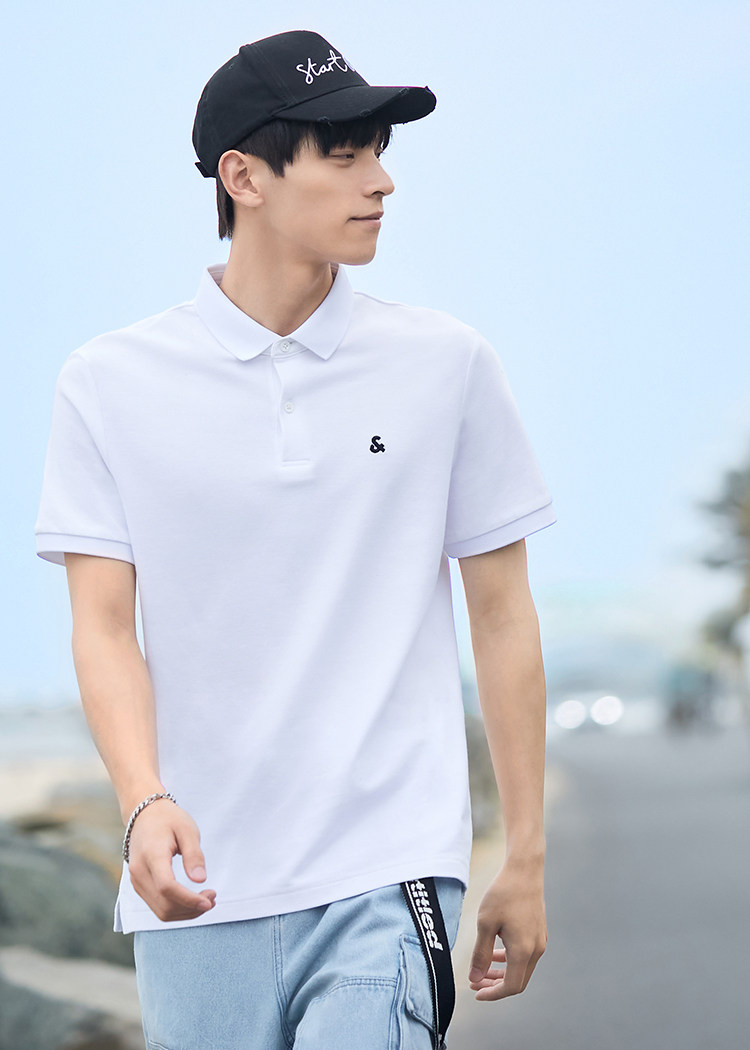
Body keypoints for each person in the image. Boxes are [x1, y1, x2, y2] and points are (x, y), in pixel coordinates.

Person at [35, 29, 555, 1050]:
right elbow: (103, 629)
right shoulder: (108, 383)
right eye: (346, 155)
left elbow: (502, 616)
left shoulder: (445, 365)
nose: (382, 182)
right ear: (244, 178)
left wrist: (527, 855)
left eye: (379, 154)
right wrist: (142, 803)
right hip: (198, 884)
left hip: (389, 866)